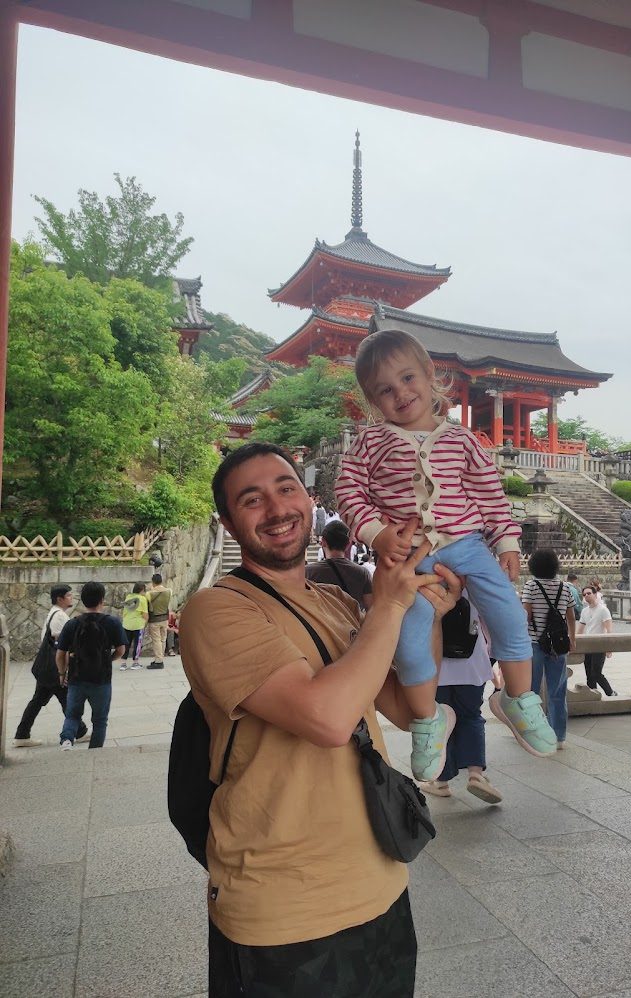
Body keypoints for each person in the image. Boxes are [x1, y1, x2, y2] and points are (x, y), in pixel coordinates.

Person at [179, 441, 461, 997]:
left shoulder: (335, 602)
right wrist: (388, 606)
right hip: (283, 907)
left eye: (287, 489)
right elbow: (327, 719)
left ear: (309, 499)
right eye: (252, 499)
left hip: (379, 881)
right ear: (229, 521)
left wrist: (421, 610)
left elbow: (409, 708)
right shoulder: (216, 610)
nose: (278, 508)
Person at [336, 327, 557, 781]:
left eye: (408, 378)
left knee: (511, 616)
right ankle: (427, 720)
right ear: (372, 401)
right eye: (385, 389)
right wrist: (377, 533)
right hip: (405, 561)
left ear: (430, 375)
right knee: (411, 645)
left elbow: (490, 493)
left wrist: (507, 540)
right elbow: (348, 492)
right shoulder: (369, 444)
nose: (401, 393)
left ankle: (517, 699)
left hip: (469, 546)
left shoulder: (463, 440)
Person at [420, 596, 502, 803]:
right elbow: (493, 624)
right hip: (471, 665)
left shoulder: (426, 583)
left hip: (434, 667)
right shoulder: (475, 583)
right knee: (471, 716)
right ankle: (476, 774)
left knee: (441, 722)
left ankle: (441, 781)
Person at [13, 584, 89, 747]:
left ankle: (22, 734)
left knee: (38, 701)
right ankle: (80, 731)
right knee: (66, 699)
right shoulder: (59, 616)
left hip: (47, 668)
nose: (72, 598)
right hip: (54, 669)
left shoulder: (55, 613)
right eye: (69, 595)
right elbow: (59, 641)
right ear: (60, 598)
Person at [56, 581, 126, 750]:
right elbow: (121, 650)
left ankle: (67, 740)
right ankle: (95, 751)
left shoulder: (72, 624)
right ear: (102, 600)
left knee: (72, 715)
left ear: (83, 600)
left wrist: (62, 673)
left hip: (76, 678)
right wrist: (107, 660)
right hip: (101, 679)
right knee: (100, 720)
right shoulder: (112, 623)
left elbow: (60, 654)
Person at [523, 550, 577, 749]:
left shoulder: (531, 586)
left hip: (535, 643)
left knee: (531, 692)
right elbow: (571, 616)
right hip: (559, 646)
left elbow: (526, 616)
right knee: (557, 691)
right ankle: (559, 736)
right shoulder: (565, 587)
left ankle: (533, 733)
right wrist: (573, 638)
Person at [305, 520, 374, 611]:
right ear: (348, 544)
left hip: (321, 624)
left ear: (323, 542)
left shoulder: (308, 573)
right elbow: (371, 609)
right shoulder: (362, 573)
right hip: (353, 624)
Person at [578, 584, 617, 697]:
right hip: (587, 645)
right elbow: (580, 630)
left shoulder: (603, 610)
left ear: (595, 594)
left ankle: (610, 692)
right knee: (589, 674)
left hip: (600, 644)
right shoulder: (585, 611)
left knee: (596, 672)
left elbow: (609, 630)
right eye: (584, 594)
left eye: (589, 593)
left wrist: (609, 648)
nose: (586, 596)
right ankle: (592, 694)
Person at [119, 581, 148, 670]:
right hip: (138, 625)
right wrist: (145, 623)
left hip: (126, 624)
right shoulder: (142, 599)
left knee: (126, 644)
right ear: (142, 590)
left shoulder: (128, 597)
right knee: (137, 644)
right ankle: (135, 663)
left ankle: (123, 663)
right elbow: (145, 615)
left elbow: (124, 612)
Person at [146, 573, 172, 669]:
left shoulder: (149, 593)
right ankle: (160, 658)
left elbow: (147, 604)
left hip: (154, 619)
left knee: (156, 640)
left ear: (153, 582)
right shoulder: (169, 591)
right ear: (161, 581)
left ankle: (159, 660)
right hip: (164, 618)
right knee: (163, 639)